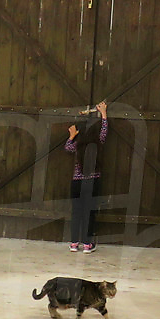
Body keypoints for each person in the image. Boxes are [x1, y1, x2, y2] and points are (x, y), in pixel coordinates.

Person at [65, 100, 107, 252]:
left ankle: (74, 243)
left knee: (76, 212)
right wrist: (103, 113)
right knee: (89, 213)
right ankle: (87, 245)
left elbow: (67, 147)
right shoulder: (98, 143)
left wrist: (72, 135)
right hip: (92, 183)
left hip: (77, 183)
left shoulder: (78, 145)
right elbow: (104, 131)